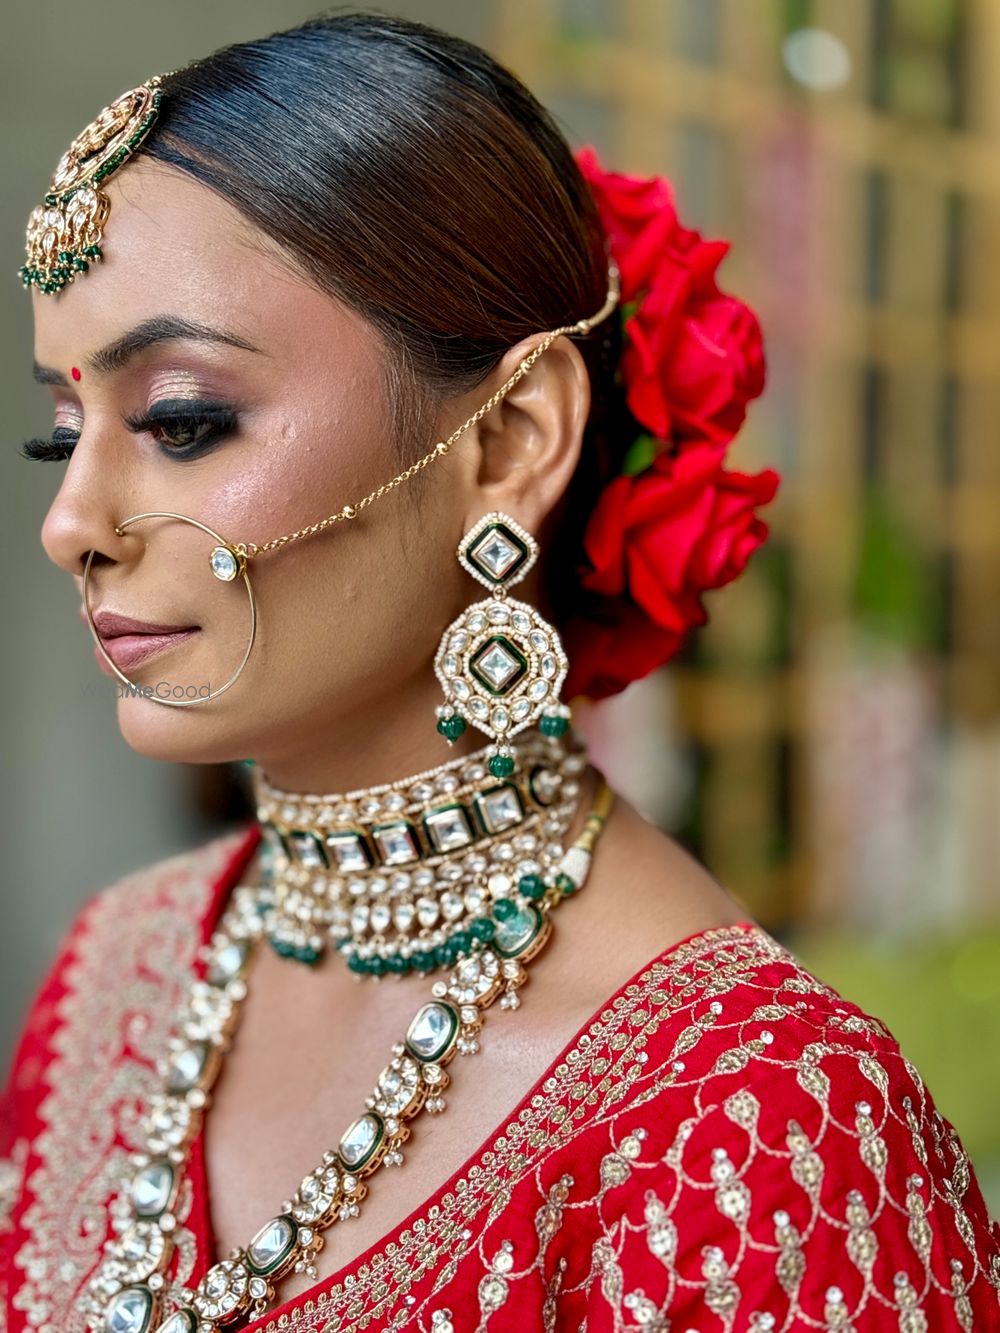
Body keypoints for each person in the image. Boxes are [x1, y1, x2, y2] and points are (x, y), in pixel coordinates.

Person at [2, 12, 997, 1333]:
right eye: (61, 434)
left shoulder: (756, 1124)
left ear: (511, 437)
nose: (71, 520)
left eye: (183, 420)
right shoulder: (116, 972)